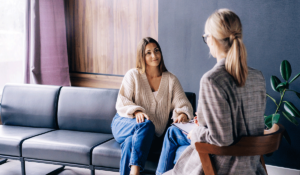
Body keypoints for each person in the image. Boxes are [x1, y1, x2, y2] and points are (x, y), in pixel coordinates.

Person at [158, 9, 267, 175]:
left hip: (222, 167)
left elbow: (222, 138)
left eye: (206, 36)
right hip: (251, 167)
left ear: (212, 40)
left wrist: (197, 132)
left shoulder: (212, 80)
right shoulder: (257, 77)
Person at [111, 37, 194, 175]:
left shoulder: (171, 80)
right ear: (141, 56)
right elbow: (122, 102)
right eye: (148, 53)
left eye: (156, 51)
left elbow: (183, 104)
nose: (154, 56)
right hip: (124, 124)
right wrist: (136, 111)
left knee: (131, 142)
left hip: (150, 134)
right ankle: (135, 172)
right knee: (146, 124)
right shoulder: (133, 75)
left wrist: (183, 114)